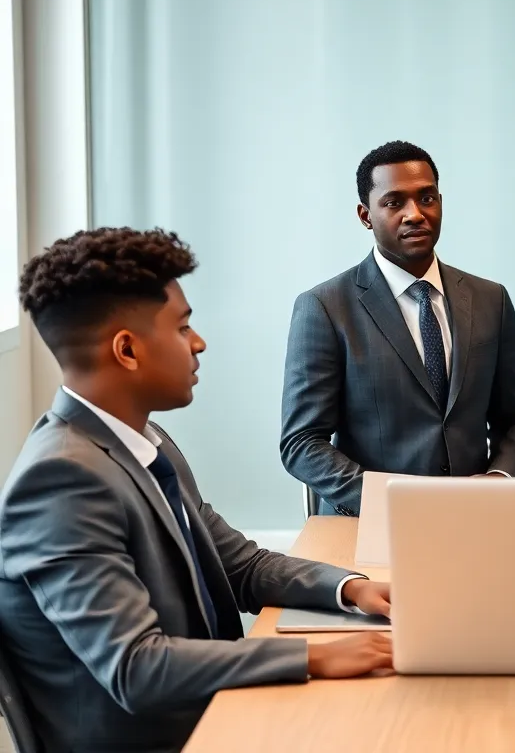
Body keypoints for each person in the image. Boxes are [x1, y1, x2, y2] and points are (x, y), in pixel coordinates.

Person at [0, 228, 394, 753]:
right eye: (183, 327)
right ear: (127, 349)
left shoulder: (143, 439)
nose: (199, 342)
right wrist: (311, 656)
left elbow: (240, 566)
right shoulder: (61, 480)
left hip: (215, 711)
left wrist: (352, 588)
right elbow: (136, 668)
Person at [281, 141, 515, 515]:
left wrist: (499, 480)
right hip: (368, 527)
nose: (415, 214)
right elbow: (302, 442)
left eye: (427, 198)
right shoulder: (325, 307)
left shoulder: (491, 299)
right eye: (394, 202)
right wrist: (390, 503)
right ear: (365, 215)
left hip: (475, 519)